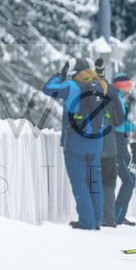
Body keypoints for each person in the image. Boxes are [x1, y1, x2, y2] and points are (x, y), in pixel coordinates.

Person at [42, 58, 108, 230]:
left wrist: (60, 74)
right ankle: (97, 219)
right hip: (96, 142)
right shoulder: (100, 85)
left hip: (75, 142)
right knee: (94, 180)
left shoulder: (71, 86)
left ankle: (87, 221)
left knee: (79, 182)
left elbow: (47, 88)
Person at [94, 59, 125, 228]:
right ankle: (109, 217)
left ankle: (96, 215)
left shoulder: (88, 91)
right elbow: (120, 121)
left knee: (94, 180)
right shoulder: (112, 94)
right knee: (109, 182)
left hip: (93, 145)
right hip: (110, 146)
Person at [110, 73, 136, 225]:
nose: (130, 89)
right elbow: (119, 125)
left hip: (115, 145)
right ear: (121, 86)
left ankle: (112, 215)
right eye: (128, 86)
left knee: (112, 180)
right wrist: (133, 126)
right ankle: (117, 216)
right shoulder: (117, 99)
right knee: (129, 179)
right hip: (118, 147)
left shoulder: (116, 98)